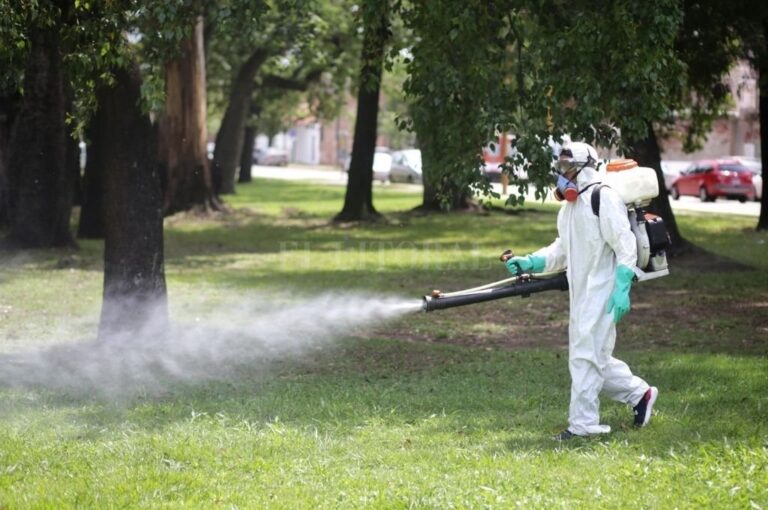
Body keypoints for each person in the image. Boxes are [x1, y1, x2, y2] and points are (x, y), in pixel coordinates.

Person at [505, 141, 657, 440]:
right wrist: (531, 261)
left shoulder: (604, 197)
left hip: (604, 291)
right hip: (582, 292)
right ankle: (640, 394)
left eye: (567, 167)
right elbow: (562, 248)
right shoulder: (569, 207)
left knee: (585, 357)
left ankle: (583, 425)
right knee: (591, 356)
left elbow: (625, 244)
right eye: (559, 167)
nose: (562, 174)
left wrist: (622, 287)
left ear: (585, 168)